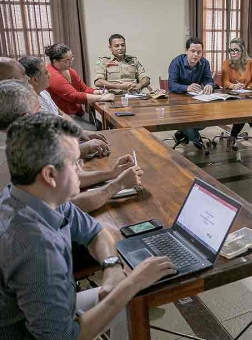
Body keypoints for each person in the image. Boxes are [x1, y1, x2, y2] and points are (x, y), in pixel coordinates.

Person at [0, 113, 176, 340]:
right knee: (129, 292)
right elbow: (67, 337)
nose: (81, 168)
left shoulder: (30, 195)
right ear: (50, 175)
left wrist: (112, 269)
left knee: (123, 294)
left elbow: (94, 231)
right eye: (75, 163)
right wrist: (132, 283)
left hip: (52, 310)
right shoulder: (37, 248)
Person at [0, 79, 144, 213]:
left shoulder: (19, 139)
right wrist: (117, 185)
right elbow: (64, 208)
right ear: (25, 117)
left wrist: (111, 173)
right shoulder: (9, 157)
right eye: (37, 110)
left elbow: (64, 178)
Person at [18, 55, 111, 159]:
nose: (49, 75)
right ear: (35, 79)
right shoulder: (30, 104)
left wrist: (79, 132)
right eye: (45, 73)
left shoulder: (43, 92)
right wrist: (85, 146)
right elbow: (51, 150)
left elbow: (60, 113)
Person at [45, 43, 115, 123]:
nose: (71, 62)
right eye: (67, 60)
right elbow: (74, 96)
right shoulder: (52, 75)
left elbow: (83, 89)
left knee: (98, 124)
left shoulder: (69, 70)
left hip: (77, 113)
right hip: (64, 117)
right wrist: (102, 98)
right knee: (96, 129)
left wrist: (98, 92)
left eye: (72, 58)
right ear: (55, 61)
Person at [168, 37, 214, 150]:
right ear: (186, 51)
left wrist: (209, 84)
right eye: (193, 51)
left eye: (199, 52)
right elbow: (171, 85)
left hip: (196, 101)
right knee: (186, 121)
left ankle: (182, 133)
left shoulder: (204, 63)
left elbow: (209, 79)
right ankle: (196, 140)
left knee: (206, 120)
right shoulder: (176, 62)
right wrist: (187, 88)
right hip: (177, 101)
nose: (196, 55)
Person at [222, 38, 252, 147]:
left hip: (246, 95)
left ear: (242, 50)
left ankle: (233, 136)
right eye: (231, 50)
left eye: (236, 50)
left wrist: (247, 88)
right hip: (231, 96)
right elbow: (224, 82)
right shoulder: (226, 63)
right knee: (243, 109)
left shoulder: (250, 62)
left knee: (245, 106)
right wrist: (233, 86)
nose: (233, 53)